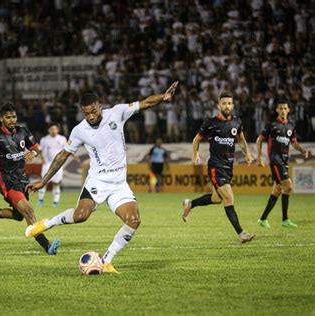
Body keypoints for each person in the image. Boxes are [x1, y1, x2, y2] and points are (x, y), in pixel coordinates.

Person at [26, 81, 179, 273]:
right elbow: (62, 156)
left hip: (119, 184)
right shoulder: (79, 130)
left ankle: (106, 261)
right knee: (81, 216)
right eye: (86, 113)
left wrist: (163, 98)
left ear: (100, 106)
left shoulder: (117, 112)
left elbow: (146, 103)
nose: (90, 117)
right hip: (97, 182)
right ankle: (47, 223)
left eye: (93, 111)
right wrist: (44, 181)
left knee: (133, 220)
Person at [0, 104, 60, 255]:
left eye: (13, 117)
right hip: (7, 181)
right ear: (1, 119)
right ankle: (47, 246)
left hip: (22, 179)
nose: (12, 120)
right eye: (8, 117)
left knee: (19, 216)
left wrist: (34, 153)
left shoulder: (22, 131)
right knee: (29, 211)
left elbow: (36, 148)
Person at [182, 92, 256, 243]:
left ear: (233, 106)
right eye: (224, 103)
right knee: (229, 198)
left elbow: (241, 139)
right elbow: (196, 139)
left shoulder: (237, 122)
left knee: (216, 199)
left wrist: (247, 153)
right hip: (216, 167)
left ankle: (190, 204)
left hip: (228, 167)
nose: (227, 106)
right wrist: (195, 154)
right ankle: (241, 234)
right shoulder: (211, 123)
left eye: (229, 103)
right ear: (218, 105)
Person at [256, 101, 309, 228]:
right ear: (277, 110)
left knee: (278, 189)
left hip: (285, 160)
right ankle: (285, 219)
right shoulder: (271, 125)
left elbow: (294, 142)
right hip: (275, 159)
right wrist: (259, 157)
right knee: (288, 186)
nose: (283, 110)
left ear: (289, 110)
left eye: (285, 108)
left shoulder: (291, 125)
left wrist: (301, 150)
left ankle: (263, 219)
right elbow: (260, 139)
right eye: (281, 108)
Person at [37, 123, 80, 208]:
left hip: (58, 164)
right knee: (43, 183)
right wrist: (43, 160)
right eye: (52, 129)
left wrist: (75, 156)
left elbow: (68, 149)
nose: (53, 131)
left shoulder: (62, 138)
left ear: (58, 130)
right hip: (47, 164)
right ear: (48, 130)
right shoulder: (44, 140)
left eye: (55, 129)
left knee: (57, 183)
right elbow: (40, 150)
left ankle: (55, 202)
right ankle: (40, 200)